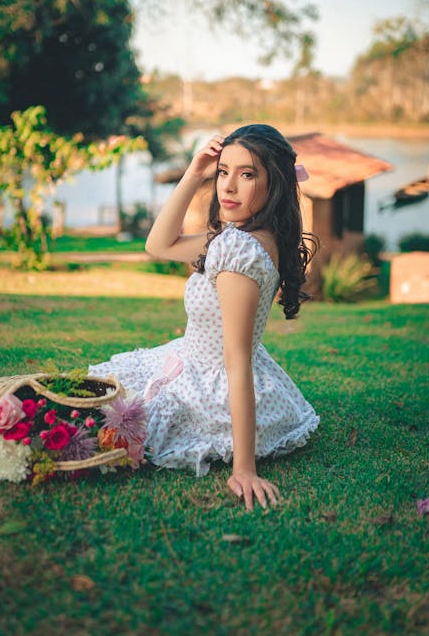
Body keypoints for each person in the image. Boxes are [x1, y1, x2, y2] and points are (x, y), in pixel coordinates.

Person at [89, 124, 320, 511]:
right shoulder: (252, 234)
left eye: (246, 174)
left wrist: (244, 468)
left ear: (274, 182)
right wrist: (195, 173)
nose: (227, 187)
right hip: (191, 360)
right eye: (223, 172)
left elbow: (236, 359)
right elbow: (159, 245)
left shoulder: (235, 251)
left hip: (210, 383)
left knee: (102, 414)